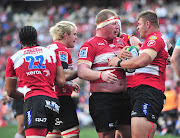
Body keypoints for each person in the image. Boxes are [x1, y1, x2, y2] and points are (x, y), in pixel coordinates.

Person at [108, 10, 168, 138]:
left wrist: (118, 62)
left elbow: (142, 61)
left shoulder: (154, 38)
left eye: (139, 24)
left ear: (147, 24)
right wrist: (122, 54)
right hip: (136, 91)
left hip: (148, 91)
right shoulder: (147, 43)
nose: (137, 27)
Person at [77, 9, 132, 138]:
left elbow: (129, 65)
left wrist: (128, 63)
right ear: (102, 25)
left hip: (124, 97)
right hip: (104, 99)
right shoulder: (90, 45)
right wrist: (101, 75)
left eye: (118, 23)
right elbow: (82, 71)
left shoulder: (120, 42)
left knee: (130, 135)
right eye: (114, 23)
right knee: (107, 136)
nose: (118, 26)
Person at [5, 25, 65, 138]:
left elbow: (10, 91)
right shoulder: (52, 53)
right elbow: (61, 81)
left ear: (20, 41)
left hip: (34, 101)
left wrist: (27, 94)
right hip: (53, 102)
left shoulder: (14, 58)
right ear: (36, 38)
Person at [46, 21, 80, 138]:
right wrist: (84, 70)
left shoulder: (49, 48)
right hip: (61, 98)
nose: (76, 37)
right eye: (74, 34)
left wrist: (69, 83)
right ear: (66, 35)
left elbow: (53, 75)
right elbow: (63, 74)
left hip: (49, 98)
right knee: (72, 134)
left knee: (53, 134)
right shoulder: (61, 49)